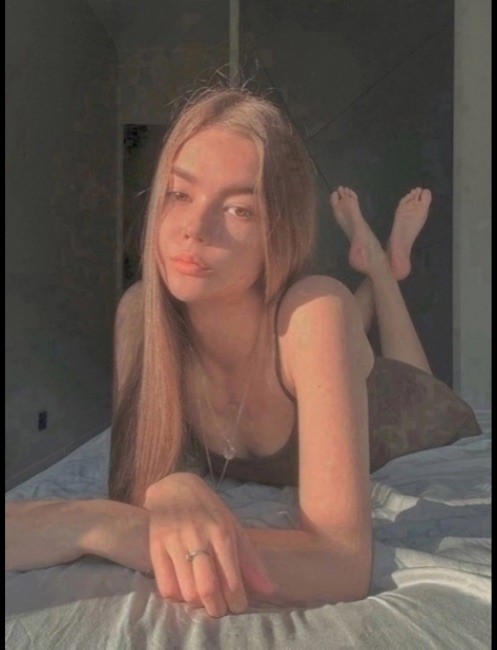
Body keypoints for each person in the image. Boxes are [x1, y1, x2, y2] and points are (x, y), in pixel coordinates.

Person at [6, 84, 481, 618]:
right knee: (337, 323)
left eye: (238, 210)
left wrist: (101, 525)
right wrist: (171, 486)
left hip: (413, 408)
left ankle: (383, 267)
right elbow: (145, 487)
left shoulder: (315, 310)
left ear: (278, 231)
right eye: (179, 194)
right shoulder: (141, 317)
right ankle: (379, 267)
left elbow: (340, 564)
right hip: (322, 352)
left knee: (392, 358)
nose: (194, 230)